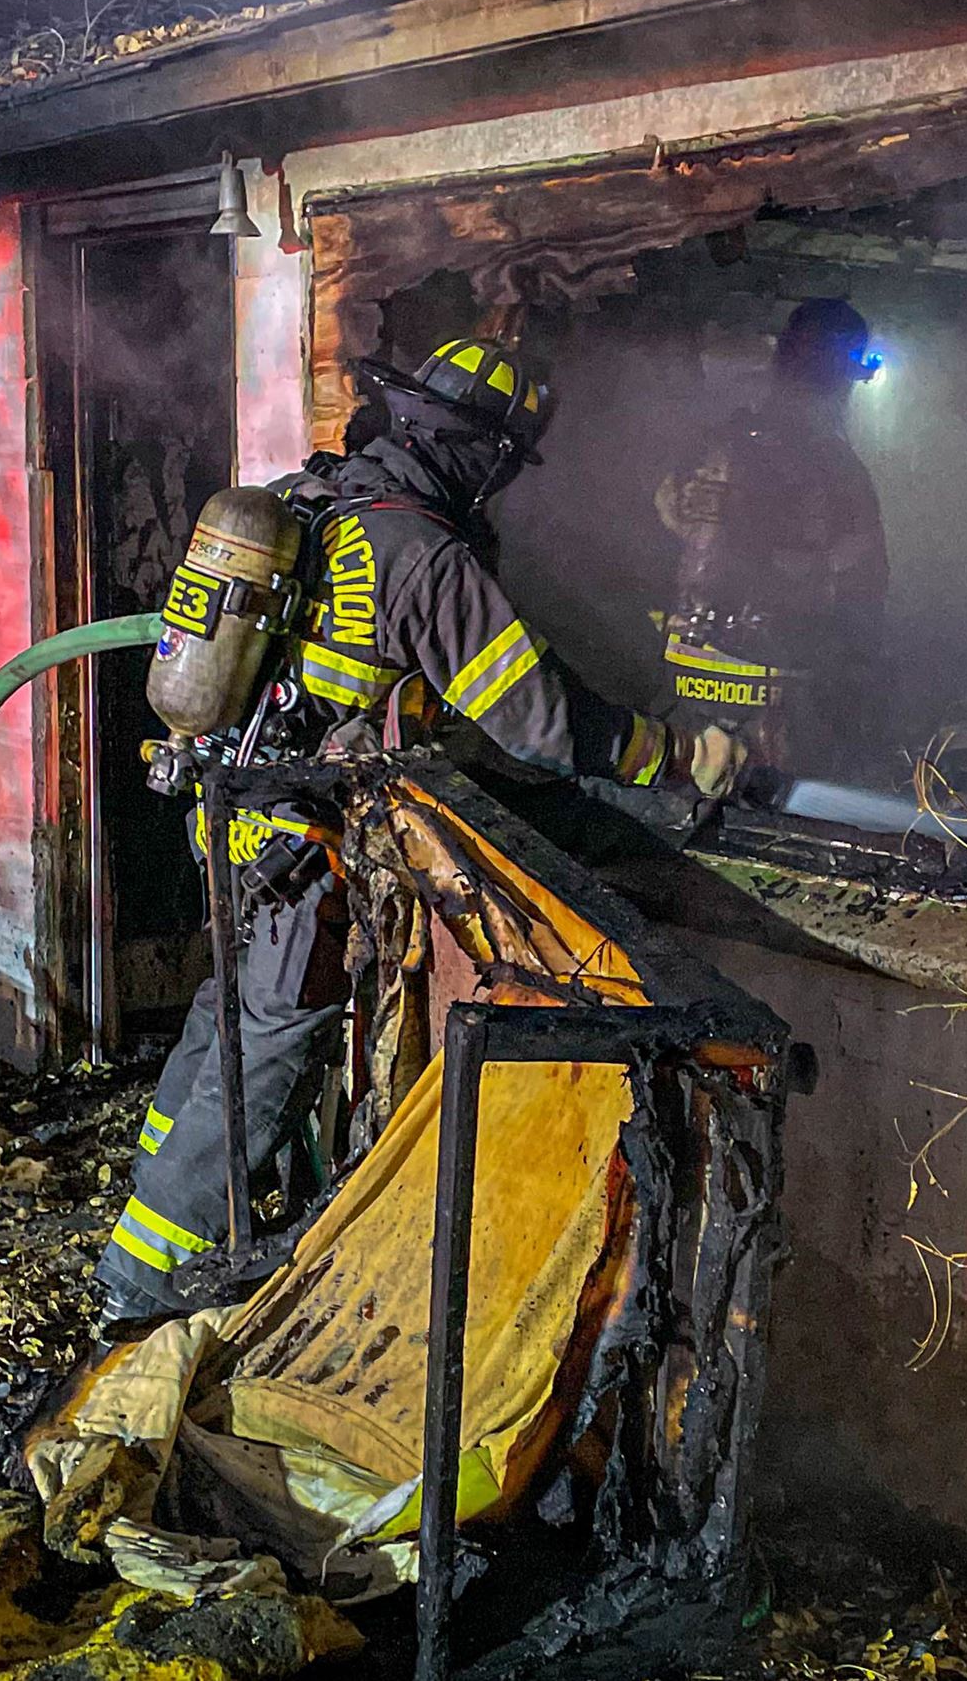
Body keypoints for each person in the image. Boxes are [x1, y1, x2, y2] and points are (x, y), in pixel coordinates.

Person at [96, 337, 742, 1328]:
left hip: (224, 819)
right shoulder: (421, 555)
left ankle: (152, 1197)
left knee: (227, 1014)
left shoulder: (304, 499)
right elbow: (537, 720)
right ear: (479, 455)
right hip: (300, 848)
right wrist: (677, 754)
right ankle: (143, 1285)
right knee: (269, 1049)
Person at [656, 296, 890, 775]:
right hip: (775, 701)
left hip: (682, 684)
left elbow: (660, 542)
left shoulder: (713, 443)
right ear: (838, 377)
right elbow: (864, 593)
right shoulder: (835, 470)